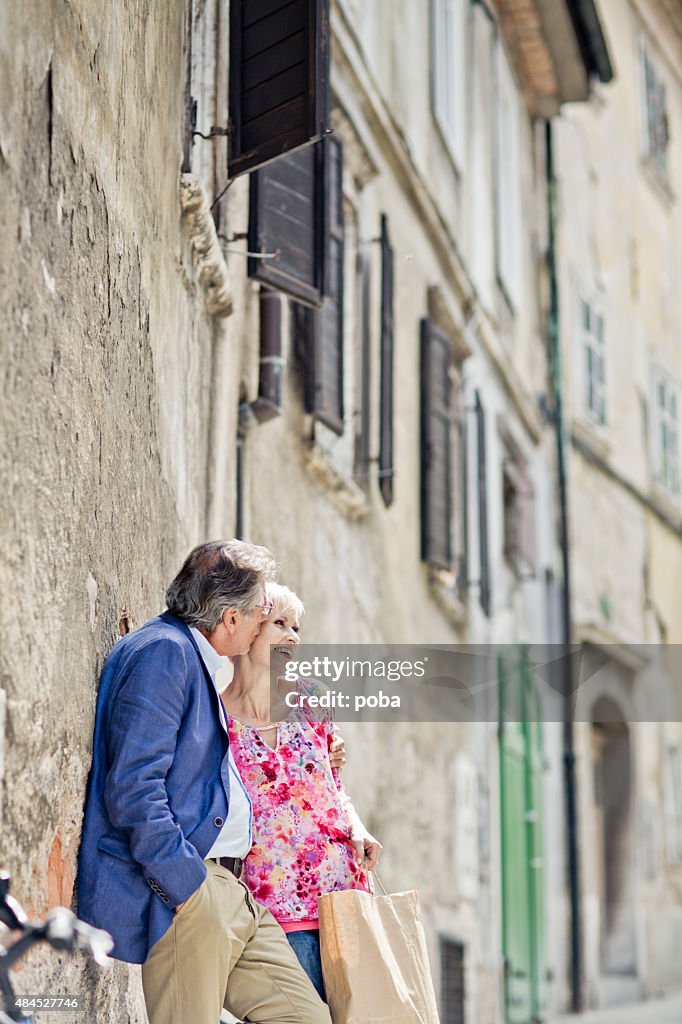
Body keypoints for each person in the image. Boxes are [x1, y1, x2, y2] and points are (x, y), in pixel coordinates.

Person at [77, 540, 332, 1024]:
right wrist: (187, 887)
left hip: (233, 895)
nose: (266, 622)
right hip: (192, 892)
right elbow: (134, 788)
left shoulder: (195, 659)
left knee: (306, 1017)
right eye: (261, 613)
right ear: (231, 620)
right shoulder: (164, 654)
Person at [222, 583, 383, 1001]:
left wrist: (360, 829)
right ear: (249, 629)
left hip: (340, 893)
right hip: (271, 904)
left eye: (297, 627)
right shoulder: (217, 719)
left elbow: (334, 788)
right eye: (280, 623)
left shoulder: (312, 700)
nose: (293, 636)